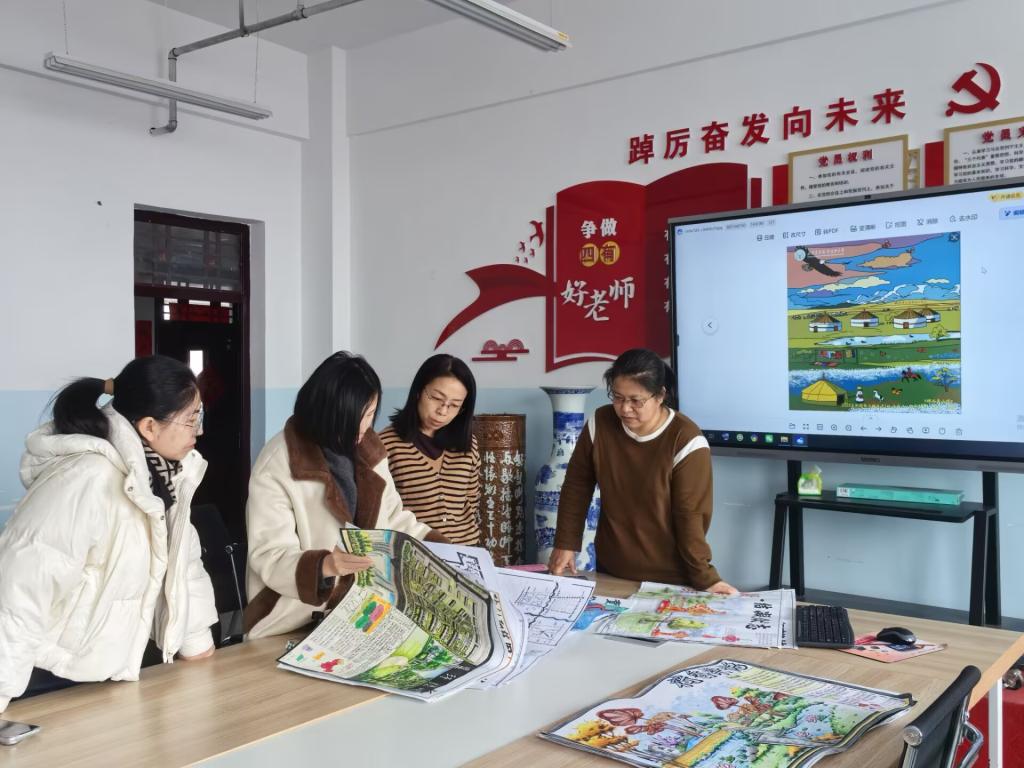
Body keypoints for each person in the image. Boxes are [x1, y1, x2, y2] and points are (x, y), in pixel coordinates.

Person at [0, 355, 217, 712]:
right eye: (192, 419)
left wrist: (197, 643)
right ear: (149, 427)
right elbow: (20, 589)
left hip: (111, 673)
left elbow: (184, 566)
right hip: (52, 677)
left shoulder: (165, 479)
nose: (199, 431)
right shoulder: (87, 478)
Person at [245, 351, 449, 639]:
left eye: (369, 414)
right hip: (291, 617)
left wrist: (444, 551)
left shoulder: (368, 450)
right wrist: (326, 565)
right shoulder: (279, 462)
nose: (364, 426)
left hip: (360, 610)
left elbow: (393, 518)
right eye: (354, 417)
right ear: (326, 412)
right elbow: (269, 554)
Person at [547, 348, 737, 595]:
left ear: (660, 396)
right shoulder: (600, 423)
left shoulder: (686, 440)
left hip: (671, 579)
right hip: (611, 569)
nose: (625, 409)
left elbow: (689, 516)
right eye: (617, 397)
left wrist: (705, 578)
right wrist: (565, 543)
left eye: (636, 401)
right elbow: (577, 486)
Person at [379, 354, 482, 545]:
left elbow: (472, 503)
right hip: (415, 554)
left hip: (466, 553)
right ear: (419, 391)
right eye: (436, 398)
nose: (442, 411)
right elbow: (383, 511)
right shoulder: (386, 445)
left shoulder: (468, 445)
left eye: (454, 405)